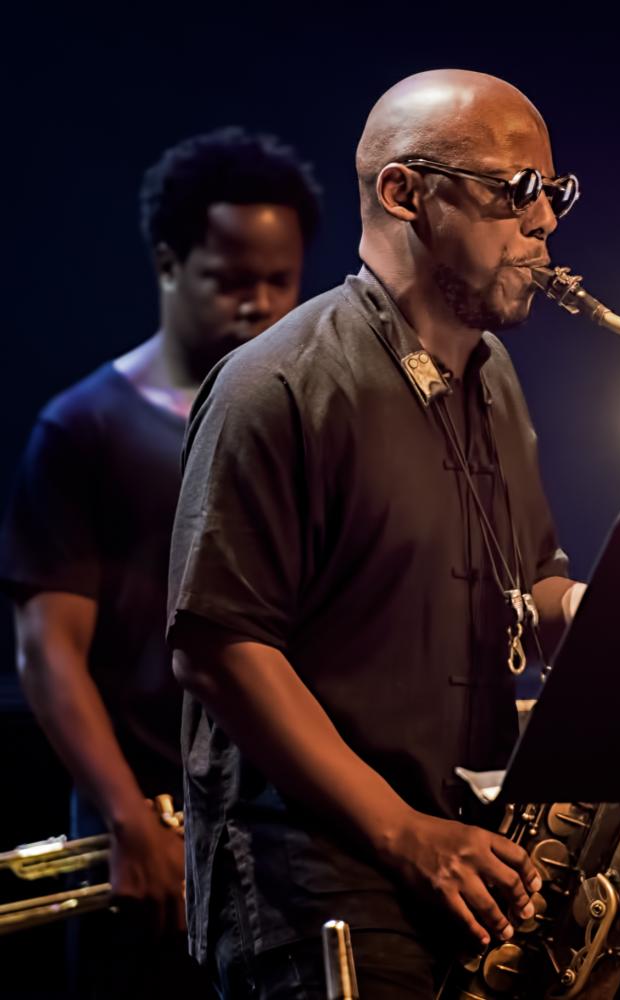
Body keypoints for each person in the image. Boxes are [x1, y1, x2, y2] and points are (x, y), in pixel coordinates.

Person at [166, 70, 587, 998]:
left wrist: (617, 615)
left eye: (551, 194)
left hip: (465, 863)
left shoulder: (494, 373)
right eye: (515, 192)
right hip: (320, 888)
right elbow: (219, 648)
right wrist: (404, 833)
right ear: (404, 192)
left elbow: (532, 577)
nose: (545, 223)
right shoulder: (271, 386)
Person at [0, 126, 320, 996]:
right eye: (229, 281)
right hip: (142, 819)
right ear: (169, 263)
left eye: (279, 281)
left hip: (281, 825)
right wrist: (127, 816)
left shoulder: (307, 420)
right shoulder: (85, 428)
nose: (257, 304)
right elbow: (49, 648)